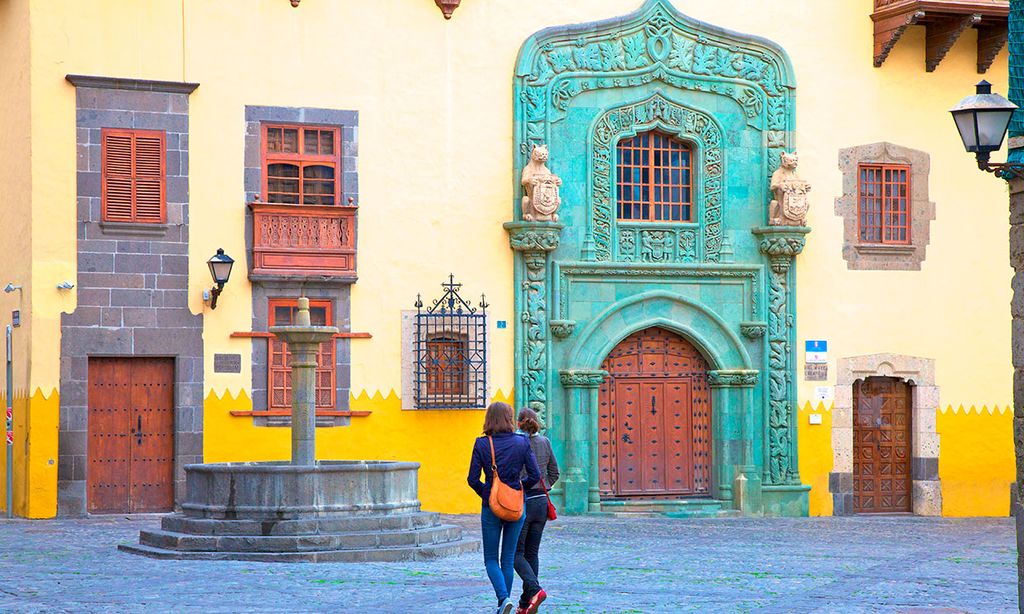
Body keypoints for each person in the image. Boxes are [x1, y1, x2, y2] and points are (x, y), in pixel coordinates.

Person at [468, 401, 541, 614]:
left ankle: (503, 600)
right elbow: (535, 475)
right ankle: (504, 604)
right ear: (510, 419)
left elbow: (472, 479)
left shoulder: (482, 444)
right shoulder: (521, 442)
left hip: (491, 508)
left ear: (489, 419)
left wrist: (490, 495)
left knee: (491, 558)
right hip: (517, 506)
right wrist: (519, 490)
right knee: (507, 558)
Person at [513, 408, 559, 614]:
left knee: (516, 553)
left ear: (519, 423)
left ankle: (535, 589)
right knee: (532, 553)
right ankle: (526, 604)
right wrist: (544, 486)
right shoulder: (545, 442)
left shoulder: (517, 444)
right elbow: (554, 472)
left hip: (523, 501)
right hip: (541, 502)